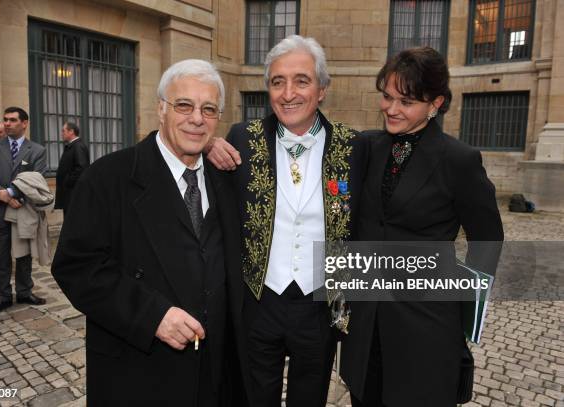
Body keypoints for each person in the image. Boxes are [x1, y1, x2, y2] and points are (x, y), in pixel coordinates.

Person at [51, 59, 251, 406]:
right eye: (184, 105)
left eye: (209, 109)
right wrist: (151, 315)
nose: (196, 118)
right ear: (161, 109)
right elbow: (77, 267)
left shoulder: (226, 179)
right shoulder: (107, 178)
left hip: (215, 374)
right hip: (140, 372)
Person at [206, 35, 368, 407]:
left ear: (322, 89)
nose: (288, 92)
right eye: (278, 81)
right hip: (259, 301)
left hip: (320, 305)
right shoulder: (240, 139)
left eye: (302, 80)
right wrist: (206, 144)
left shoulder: (354, 146)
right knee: (253, 397)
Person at [340, 47, 504, 407]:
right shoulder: (366, 146)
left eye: (406, 101)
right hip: (366, 331)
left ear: (436, 103)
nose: (392, 109)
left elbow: (488, 239)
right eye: (387, 97)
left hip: (426, 332)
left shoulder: (459, 161)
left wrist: (456, 302)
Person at [0, 107, 47, 315]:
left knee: (24, 255)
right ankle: (3, 295)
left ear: (24, 123)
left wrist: (11, 193)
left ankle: (25, 291)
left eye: (12, 120)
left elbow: (37, 178)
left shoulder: (37, 150)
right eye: (5, 120)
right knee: (1, 256)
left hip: (23, 211)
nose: (7, 123)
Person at [54, 122, 89, 214]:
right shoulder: (73, 145)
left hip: (73, 192)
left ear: (71, 132)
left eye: (63, 131)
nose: (62, 134)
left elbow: (81, 168)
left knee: (73, 218)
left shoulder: (78, 146)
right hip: (69, 192)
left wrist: (67, 181)